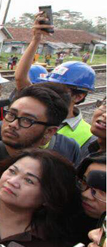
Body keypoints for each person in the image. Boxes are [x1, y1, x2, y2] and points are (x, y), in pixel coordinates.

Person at [13, 13, 97, 151]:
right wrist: (36, 39)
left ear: (79, 96)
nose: (51, 91)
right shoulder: (38, 108)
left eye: (58, 88)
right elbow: (20, 78)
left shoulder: (87, 135)